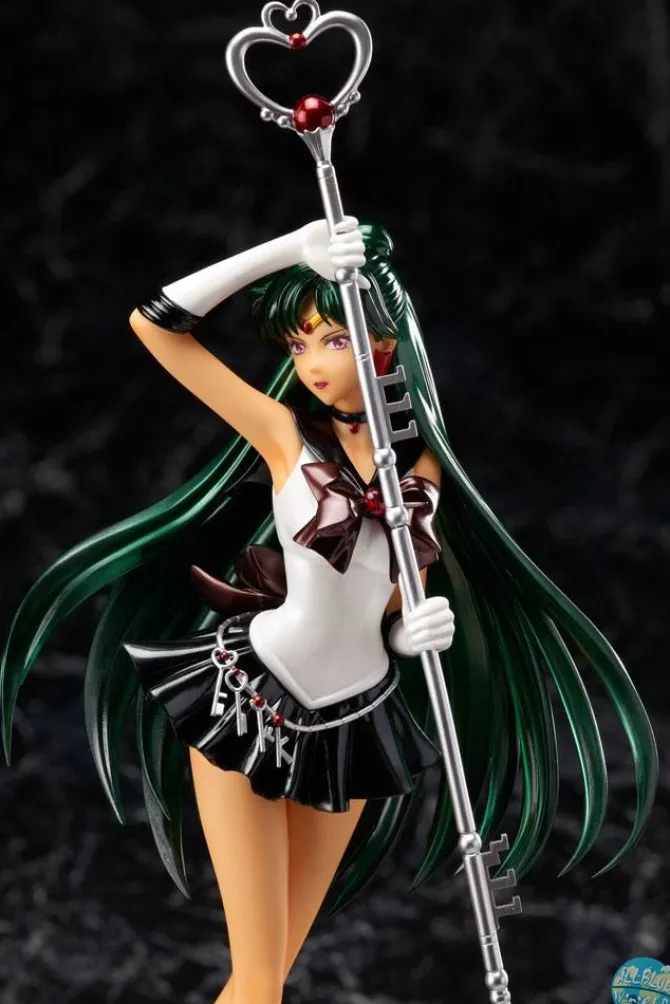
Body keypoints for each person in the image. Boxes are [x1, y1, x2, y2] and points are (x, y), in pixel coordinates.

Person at [0, 217, 658, 1004]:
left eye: (333, 340)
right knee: (258, 978)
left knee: (269, 974)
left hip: (356, 724)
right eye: (298, 344)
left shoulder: (425, 472)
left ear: (387, 344)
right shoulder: (285, 438)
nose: (310, 363)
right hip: (250, 700)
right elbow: (156, 324)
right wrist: (292, 248)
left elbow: (387, 592)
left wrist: (409, 631)